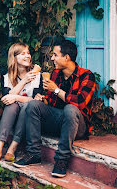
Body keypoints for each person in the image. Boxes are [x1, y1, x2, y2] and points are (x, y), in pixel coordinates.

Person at [13, 39, 96, 178]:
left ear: (66, 57)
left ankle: (61, 161)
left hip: (78, 127)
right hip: (59, 121)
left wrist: (56, 90)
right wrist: (43, 99)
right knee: (33, 105)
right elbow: (51, 102)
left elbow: (80, 103)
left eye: (55, 55)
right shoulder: (56, 74)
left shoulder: (87, 76)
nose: (52, 58)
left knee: (71, 108)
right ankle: (34, 154)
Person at [0, 43, 42, 166]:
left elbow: (35, 101)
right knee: (12, 105)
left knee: (27, 107)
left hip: (27, 115)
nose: (27, 56)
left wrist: (16, 97)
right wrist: (24, 81)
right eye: (23, 53)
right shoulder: (7, 77)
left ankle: (13, 147)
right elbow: (7, 98)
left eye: (28, 53)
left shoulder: (38, 76)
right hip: (12, 114)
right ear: (14, 57)